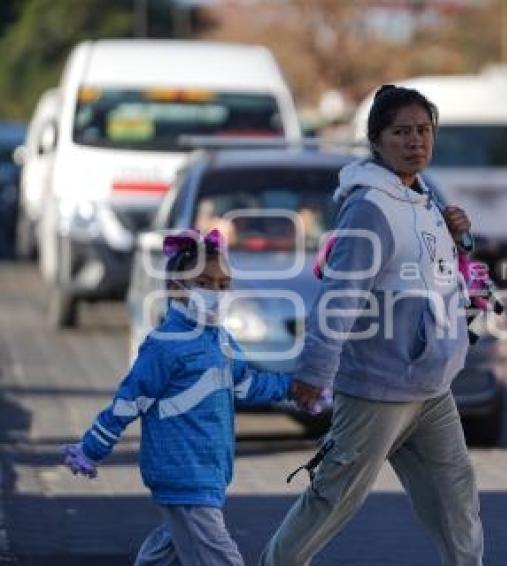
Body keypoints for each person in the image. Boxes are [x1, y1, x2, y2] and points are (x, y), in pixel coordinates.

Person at [259, 84, 484, 566]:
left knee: (457, 498)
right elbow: (340, 297)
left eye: (423, 130)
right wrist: (314, 373)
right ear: (376, 140)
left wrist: (463, 240)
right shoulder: (370, 207)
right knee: (332, 501)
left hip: (431, 388)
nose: (415, 141)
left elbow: (444, 279)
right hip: (378, 389)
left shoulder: (422, 199)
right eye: (401, 132)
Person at [63, 229, 295, 566]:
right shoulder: (165, 344)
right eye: (204, 282)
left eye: (223, 285)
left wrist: (294, 386)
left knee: (168, 548)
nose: (216, 292)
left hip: (210, 471)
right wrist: (91, 449)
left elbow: (245, 387)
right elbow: (129, 401)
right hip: (183, 472)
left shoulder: (222, 340)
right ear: (175, 287)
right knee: (220, 556)